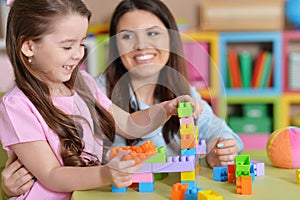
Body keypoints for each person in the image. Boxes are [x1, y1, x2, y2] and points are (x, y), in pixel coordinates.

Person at [0, 0, 203, 199]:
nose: (78, 54)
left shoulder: (84, 83)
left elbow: (129, 123)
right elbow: (52, 175)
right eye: (67, 47)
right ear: (29, 47)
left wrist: (166, 109)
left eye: (81, 43)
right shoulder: (17, 105)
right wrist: (105, 173)